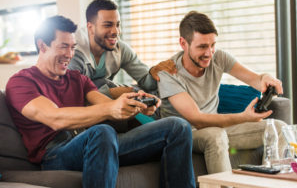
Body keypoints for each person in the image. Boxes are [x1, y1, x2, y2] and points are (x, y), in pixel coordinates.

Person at [5, 15, 196, 188]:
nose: (69, 55)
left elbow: (104, 104)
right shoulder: (21, 82)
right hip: (55, 154)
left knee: (177, 127)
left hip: (97, 145)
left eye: (73, 48)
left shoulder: (77, 79)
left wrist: (135, 105)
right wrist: (111, 109)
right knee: (102, 131)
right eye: (63, 46)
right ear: (42, 45)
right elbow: (55, 118)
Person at [157, 11, 287, 174]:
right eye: (202, 46)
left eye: (212, 45)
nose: (209, 53)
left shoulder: (218, 58)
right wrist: (243, 117)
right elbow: (198, 120)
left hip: (218, 130)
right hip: (188, 135)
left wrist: (265, 78)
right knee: (216, 136)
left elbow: (255, 79)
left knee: (279, 127)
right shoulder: (168, 73)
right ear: (183, 43)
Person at [68, 0, 176, 98]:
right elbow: (72, 98)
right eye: (108, 25)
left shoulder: (120, 49)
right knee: (103, 84)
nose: (116, 31)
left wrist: (153, 72)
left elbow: (146, 82)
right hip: (85, 111)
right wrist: (111, 93)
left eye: (117, 25)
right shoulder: (72, 53)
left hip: (108, 106)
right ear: (90, 28)